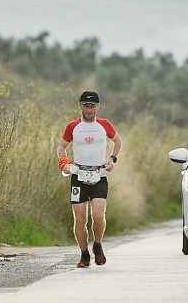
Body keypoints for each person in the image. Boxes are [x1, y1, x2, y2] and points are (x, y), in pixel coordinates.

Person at [57, 90, 122, 268]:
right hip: (79, 176)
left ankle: (98, 245)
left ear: (97, 107)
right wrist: (65, 162)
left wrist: (112, 159)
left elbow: (117, 141)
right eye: (86, 105)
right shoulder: (72, 126)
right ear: (80, 106)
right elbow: (61, 147)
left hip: (99, 175)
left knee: (98, 215)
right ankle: (84, 254)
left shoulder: (104, 124)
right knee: (80, 218)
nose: (89, 109)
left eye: (92, 105)